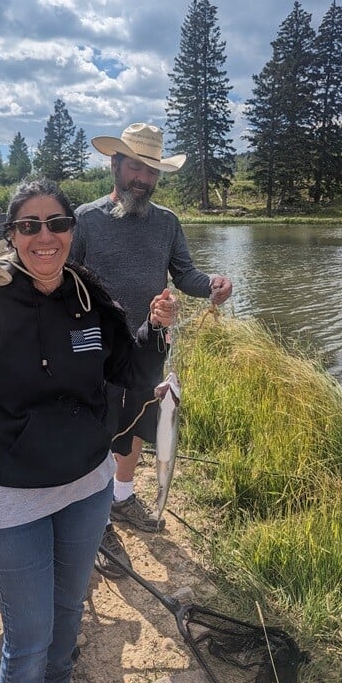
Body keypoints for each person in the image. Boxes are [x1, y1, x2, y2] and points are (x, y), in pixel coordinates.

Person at [0, 178, 176, 683]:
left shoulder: (91, 301)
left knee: (68, 608)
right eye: (29, 226)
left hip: (87, 486)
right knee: (30, 633)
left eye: (57, 223)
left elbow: (130, 372)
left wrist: (155, 331)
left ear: (72, 229)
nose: (46, 236)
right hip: (10, 499)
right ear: (12, 236)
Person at [69, 123, 233, 579]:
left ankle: (122, 497)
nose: (143, 178)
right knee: (97, 427)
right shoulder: (85, 219)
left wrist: (214, 286)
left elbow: (186, 275)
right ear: (116, 165)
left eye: (152, 171)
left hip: (151, 340)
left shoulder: (167, 223)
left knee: (139, 417)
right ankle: (97, 520)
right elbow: (66, 281)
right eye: (135, 167)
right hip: (96, 345)